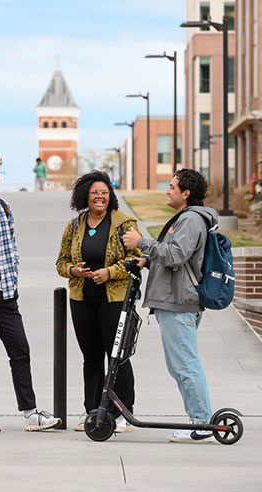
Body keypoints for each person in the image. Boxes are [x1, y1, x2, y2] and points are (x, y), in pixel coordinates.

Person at [0, 153, 61, 432]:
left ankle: (30, 413)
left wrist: (12, 276)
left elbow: (11, 248)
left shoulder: (4, 207)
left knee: (20, 351)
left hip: (5, 295)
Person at [123, 168, 216, 443]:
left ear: (185, 194)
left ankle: (202, 424)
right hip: (175, 302)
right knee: (179, 366)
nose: (167, 190)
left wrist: (141, 243)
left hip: (179, 303)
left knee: (185, 365)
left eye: (172, 186)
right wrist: (147, 261)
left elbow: (176, 255)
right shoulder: (188, 218)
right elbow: (177, 257)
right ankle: (199, 420)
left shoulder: (190, 220)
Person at [56, 170, 142, 432]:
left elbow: (137, 259)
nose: (100, 197)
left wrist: (110, 272)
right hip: (82, 299)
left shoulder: (125, 223)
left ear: (110, 196)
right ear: (85, 196)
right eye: (94, 192)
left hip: (114, 300)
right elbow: (61, 262)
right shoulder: (75, 225)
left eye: (104, 192)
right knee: (91, 357)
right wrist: (75, 271)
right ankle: (93, 412)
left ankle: (121, 414)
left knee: (117, 357)